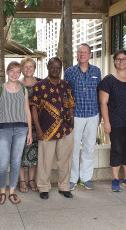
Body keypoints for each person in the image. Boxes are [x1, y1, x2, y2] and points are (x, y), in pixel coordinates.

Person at [31, 57, 76, 200]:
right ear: (48, 67)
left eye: (58, 67)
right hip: (46, 130)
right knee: (45, 160)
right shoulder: (39, 86)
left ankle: (64, 187)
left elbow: (70, 104)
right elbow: (34, 108)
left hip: (65, 129)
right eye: (53, 66)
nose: (56, 70)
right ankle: (43, 187)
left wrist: (72, 120)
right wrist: (37, 129)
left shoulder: (66, 85)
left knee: (65, 160)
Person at [0, 61, 32, 205]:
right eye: (12, 71)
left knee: (16, 162)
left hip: (21, 129)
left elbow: (27, 111)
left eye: (18, 71)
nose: (15, 74)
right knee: (3, 163)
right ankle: (2, 191)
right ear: (7, 72)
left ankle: (12, 191)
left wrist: (29, 132)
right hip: (3, 130)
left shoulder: (23, 90)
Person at [98, 50, 126, 192]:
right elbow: (103, 103)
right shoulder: (108, 80)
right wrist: (106, 122)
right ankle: (115, 179)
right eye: (118, 59)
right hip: (115, 122)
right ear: (114, 61)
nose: (121, 62)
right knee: (117, 150)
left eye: (124, 59)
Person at [64, 43, 101, 190]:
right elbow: (66, 94)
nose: (82, 54)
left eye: (85, 52)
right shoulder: (70, 71)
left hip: (92, 115)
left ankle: (85, 178)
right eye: (80, 52)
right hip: (76, 116)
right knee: (72, 148)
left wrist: (100, 116)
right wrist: (68, 114)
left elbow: (100, 93)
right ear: (77, 54)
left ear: (90, 55)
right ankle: (72, 178)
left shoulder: (97, 71)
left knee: (89, 147)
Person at [18, 57, 41, 193]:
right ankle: (22, 180)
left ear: (34, 68)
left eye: (30, 66)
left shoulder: (41, 83)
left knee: (34, 152)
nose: (28, 69)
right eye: (25, 66)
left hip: (37, 124)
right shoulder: (17, 84)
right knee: (20, 153)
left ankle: (31, 179)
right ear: (21, 69)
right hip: (20, 124)